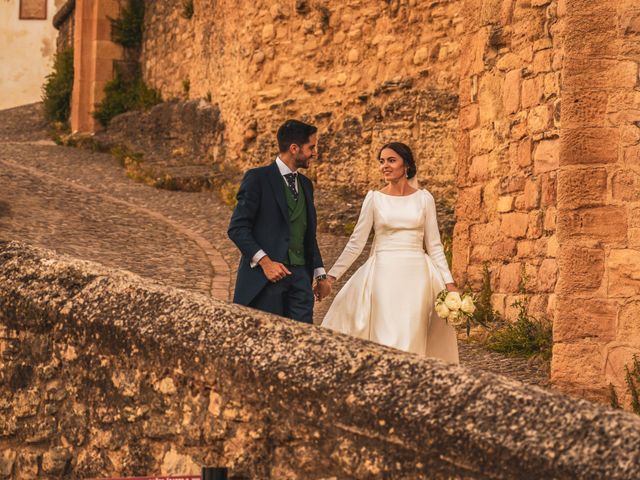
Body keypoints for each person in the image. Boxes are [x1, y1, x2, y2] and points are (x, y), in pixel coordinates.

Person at [321, 142, 459, 363]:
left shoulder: (424, 198)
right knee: (385, 332)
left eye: (391, 160)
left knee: (412, 330)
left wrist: (449, 283)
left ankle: (411, 380)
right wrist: (331, 276)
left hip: (417, 276)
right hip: (383, 274)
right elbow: (356, 242)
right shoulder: (374, 199)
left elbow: (434, 245)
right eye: (382, 161)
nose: (385, 166)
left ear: (406, 164)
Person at [228, 119, 332, 324]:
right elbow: (237, 228)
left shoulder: (305, 184)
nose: (315, 153)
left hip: (301, 279)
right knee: (266, 342)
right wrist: (266, 263)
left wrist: (320, 276)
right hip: (267, 280)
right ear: (294, 149)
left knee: (302, 341)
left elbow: (306, 233)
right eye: (311, 147)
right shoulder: (258, 178)